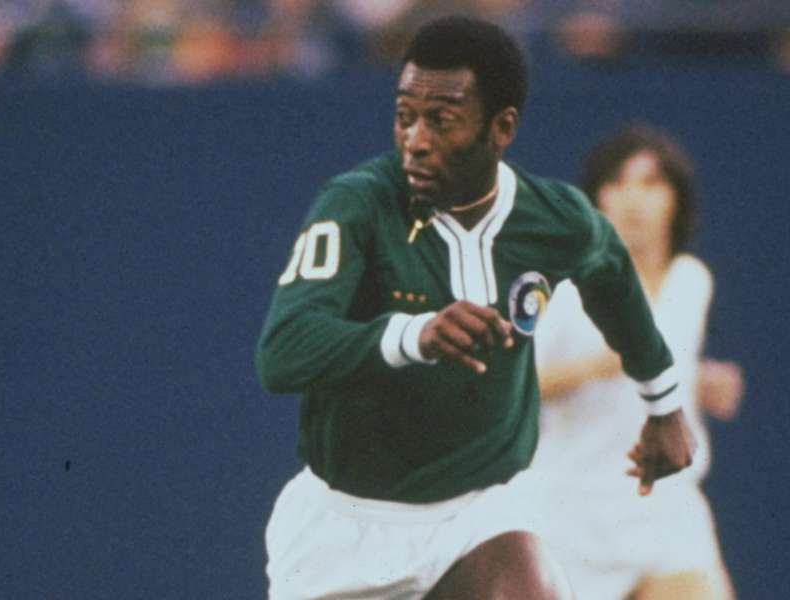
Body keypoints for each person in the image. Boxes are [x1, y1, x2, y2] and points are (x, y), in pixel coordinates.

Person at [256, 17, 696, 599]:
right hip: (347, 526)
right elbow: (282, 352)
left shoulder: (552, 218)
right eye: (404, 116)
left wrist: (663, 403)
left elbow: (611, 274)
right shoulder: (358, 204)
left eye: (441, 120)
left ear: (501, 127)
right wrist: (413, 336)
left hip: (478, 513)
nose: (416, 139)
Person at [529, 123, 744, 600]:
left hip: (667, 507)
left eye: (650, 183)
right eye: (618, 183)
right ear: (597, 199)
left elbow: (665, 367)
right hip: (571, 516)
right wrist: (591, 367)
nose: (633, 199)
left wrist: (696, 380)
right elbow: (512, 385)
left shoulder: (692, 281)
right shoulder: (565, 290)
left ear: (675, 200)